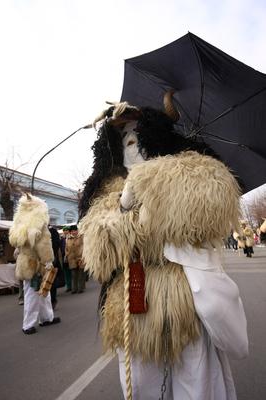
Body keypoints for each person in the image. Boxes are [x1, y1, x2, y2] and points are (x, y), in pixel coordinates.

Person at [79, 99, 248, 400]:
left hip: (184, 306)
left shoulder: (191, 172)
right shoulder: (104, 191)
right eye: (124, 138)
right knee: (142, 385)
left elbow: (212, 208)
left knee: (196, 384)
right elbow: (99, 253)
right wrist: (123, 210)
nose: (131, 146)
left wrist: (154, 186)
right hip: (133, 309)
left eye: (136, 137)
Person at [9, 193, 61, 335]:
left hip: (26, 262)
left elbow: (15, 242)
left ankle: (46, 318)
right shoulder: (39, 223)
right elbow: (44, 245)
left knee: (44, 292)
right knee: (32, 294)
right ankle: (28, 325)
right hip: (35, 264)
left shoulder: (19, 223)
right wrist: (48, 261)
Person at [65, 226, 85, 293]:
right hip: (72, 259)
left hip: (80, 257)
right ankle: (74, 289)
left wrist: (83, 256)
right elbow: (66, 249)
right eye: (73, 231)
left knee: (80, 274)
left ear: (77, 231)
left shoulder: (81, 237)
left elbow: (84, 246)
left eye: (75, 230)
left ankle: (80, 288)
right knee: (73, 274)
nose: (74, 232)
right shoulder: (68, 239)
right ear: (70, 232)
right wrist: (67, 255)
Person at [49, 225, 63, 309]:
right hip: (42, 262)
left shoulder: (53, 231)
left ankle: (52, 300)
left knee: (51, 282)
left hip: (52, 260)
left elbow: (57, 244)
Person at [60, 226, 72, 292]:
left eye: (67, 230)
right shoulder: (62, 239)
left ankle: (72, 285)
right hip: (63, 257)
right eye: (64, 230)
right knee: (66, 273)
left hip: (70, 257)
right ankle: (68, 286)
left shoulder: (71, 237)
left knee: (71, 272)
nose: (65, 231)